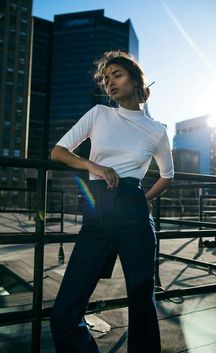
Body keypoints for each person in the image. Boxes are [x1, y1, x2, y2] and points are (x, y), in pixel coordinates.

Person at [50, 50, 174, 353]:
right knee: (65, 310)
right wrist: (93, 166)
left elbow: (167, 175)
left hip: (133, 210)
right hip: (97, 211)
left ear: (135, 80)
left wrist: (144, 198)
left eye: (116, 75)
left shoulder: (157, 130)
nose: (110, 83)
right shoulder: (99, 114)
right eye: (106, 80)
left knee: (142, 304)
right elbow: (59, 152)